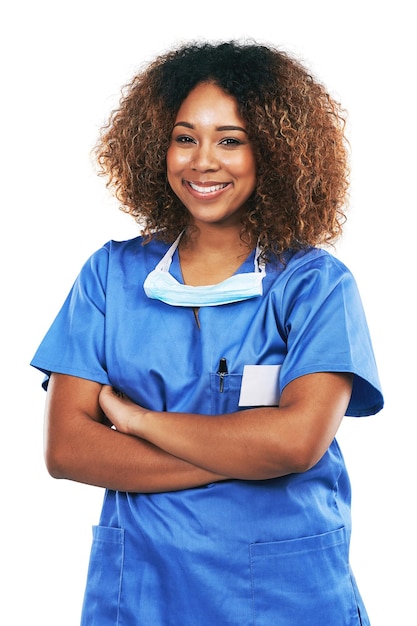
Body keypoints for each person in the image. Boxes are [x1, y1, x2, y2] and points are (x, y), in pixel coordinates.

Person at [31, 40, 384, 625]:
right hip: (141, 590)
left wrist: (141, 425)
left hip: (284, 595)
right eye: (185, 137)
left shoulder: (316, 286)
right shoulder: (110, 276)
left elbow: (296, 443)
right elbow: (67, 449)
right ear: (157, 147)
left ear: (272, 152)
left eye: (231, 140)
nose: (203, 161)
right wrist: (244, 453)